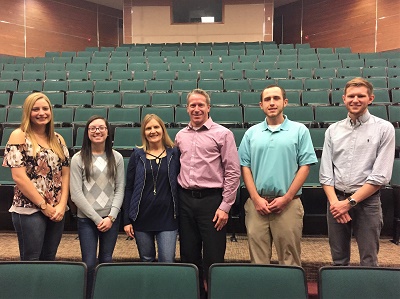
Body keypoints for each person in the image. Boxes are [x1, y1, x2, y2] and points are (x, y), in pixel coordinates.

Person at [238, 85, 317, 266]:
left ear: (285, 102)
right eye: (267, 99)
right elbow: (245, 167)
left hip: (288, 204)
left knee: (290, 261)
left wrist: (287, 198)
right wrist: (256, 199)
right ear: (261, 105)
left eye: (276, 98)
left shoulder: (299, 131)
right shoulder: (252, 133)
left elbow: (305, 166)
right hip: (258, 205)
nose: (272, 103)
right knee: (258, 261)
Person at [319, 77, 395, 266]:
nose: (355, 100)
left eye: (361, 96)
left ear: (370, 98)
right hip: (336, 201)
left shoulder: (384, 129)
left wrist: (349, 202)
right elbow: (326, 173)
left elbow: (380, 176)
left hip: (368, 203)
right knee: (338, 260)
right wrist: (337, 204)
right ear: (344, 99)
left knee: (369, 260)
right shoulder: (332, 130)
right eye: (351, 96)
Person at [175, 89, 241, 298]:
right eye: (192, 105)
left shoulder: (223, 134)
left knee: (213, 257)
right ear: (187, 108)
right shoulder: (180, 135)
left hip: (212, 203)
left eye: (200, 105)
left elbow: (233, 171)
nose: (196, 109)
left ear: (208, 107)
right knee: (188, 255)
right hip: (185, 201)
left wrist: (225, 206)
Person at [2, 92, 70, 261]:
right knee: (31, 259)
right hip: (29, 209)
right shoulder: (19, 135)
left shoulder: (58, 139)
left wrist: (62, 205)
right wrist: (43, 206)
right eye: (35, 109)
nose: (41, 113)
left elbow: (65, 174)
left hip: (56, 210)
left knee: (49, 258)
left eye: (45, 109)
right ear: (28, 112)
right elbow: (19, 177)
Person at [70, 115, 125, 298]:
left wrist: (111, 217)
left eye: (101, 128)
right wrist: (97, 218)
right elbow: (76, 194)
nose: (97, 131)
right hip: (87, 219)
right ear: (87, 132)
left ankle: (104, 293)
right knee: (89, 262)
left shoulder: (116, 157)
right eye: (92, 128)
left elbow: (120, 189)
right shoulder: (78, 158)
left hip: (111, 219)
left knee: (106, 260)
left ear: (108, 132)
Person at [123, 114, 179, 263]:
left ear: (162, 129)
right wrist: (126, 220)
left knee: (167, 260)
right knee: (146, 259)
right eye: (148, 128)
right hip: (142, 217)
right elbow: (129, 188)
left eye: (156, 127)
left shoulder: (174, 154)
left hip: (167, 218)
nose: (152, 131)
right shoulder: (137, 155)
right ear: (144, 132)